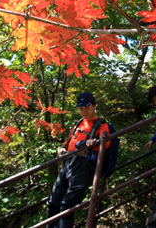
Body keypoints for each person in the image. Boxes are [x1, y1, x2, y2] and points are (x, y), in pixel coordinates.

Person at [46, 92, 110, 228]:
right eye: (81, 108)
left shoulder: (101, 125)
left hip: (84, 167)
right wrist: (61, 148)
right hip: (68, 163)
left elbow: (106, 143)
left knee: (67, 206)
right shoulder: (79, 123)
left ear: (94, 106)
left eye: (86, 107)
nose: (83, 111)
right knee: (53, 202)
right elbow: (68, 140)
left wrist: (95, 142)